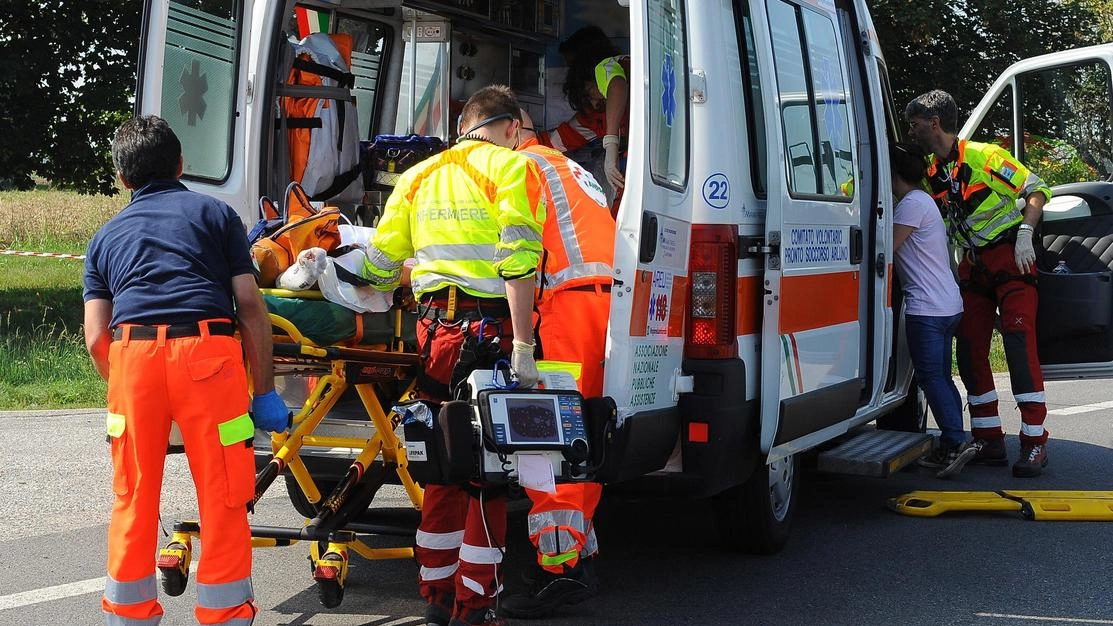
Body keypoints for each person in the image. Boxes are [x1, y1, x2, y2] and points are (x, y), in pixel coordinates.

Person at [83, 115, 290, 625]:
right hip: (209, 360)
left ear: (124, 179)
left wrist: (133, 390)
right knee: (224, 495)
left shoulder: (105, 238)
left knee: (132, 496)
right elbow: (249, 305)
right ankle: (224, 615)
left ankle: (128, 615)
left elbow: (95, 337)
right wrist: (262, 391)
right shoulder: (216, 216)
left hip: (131, 361)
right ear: (181, 165)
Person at [360, 85, 547, 626]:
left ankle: (437, 593)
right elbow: (518, 263)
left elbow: (378, 264)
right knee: (486, 471)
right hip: (487, 334)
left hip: (434, 335)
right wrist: (524, 346)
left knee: (440, 464)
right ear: (511, 128)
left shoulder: (417, 176)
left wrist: (416, 277)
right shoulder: (513, 170)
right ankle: (475, 602)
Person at [498, 112, 615, 619]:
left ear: (509, 132)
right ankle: (577, 554)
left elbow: (511, 252)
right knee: (584, 428)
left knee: (557, 434)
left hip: (570, 300)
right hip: (598, 297)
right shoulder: (562, 165)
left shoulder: (522, 168)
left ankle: (560, 569)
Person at [905, 89, 1053, 478]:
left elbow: (1036, 191)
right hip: (972, 269)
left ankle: (1035, 443)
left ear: (934, 123)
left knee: (1019, 345)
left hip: (1010, 259)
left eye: (915, 123)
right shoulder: (931, 171)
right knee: (969, 350)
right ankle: (988, 439)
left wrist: (1025, 232)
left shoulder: (986, 157)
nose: (911, 130)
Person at [889, 141, 975, 478]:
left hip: (927, 309)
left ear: (893, 173)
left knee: (930, 377)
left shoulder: (911, 205)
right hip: (947, 304)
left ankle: (954, 441)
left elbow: (885, 249)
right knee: (941, 376)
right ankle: (957, 440)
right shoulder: (923, 201)